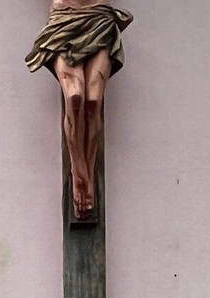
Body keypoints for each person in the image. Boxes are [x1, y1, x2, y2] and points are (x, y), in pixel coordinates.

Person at [27, 0, 133, 220]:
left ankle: (89, 175)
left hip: (99, 18)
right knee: (75, 97)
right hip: (64, 19)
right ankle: (79, 174)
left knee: (94, 102)